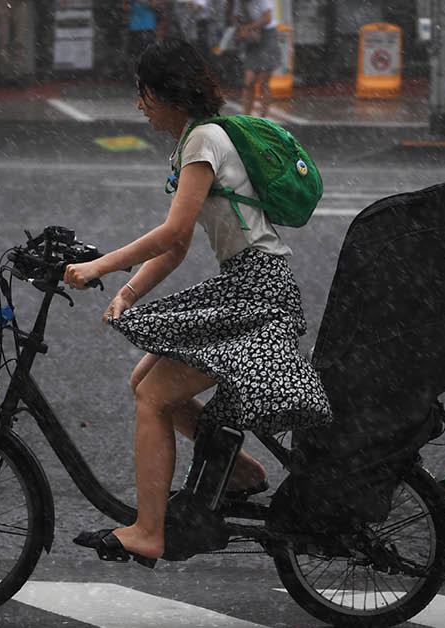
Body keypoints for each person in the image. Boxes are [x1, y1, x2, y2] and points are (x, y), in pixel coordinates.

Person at [64, 39, 331, 566]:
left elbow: (173, 230)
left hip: (256, 290)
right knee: (143, 382)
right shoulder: (196, 139)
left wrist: (102, 266)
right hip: (248, 284)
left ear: (168, 95)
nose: (140, 105)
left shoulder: (204, 140)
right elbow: (179, 246)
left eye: (144, 94)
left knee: (154, 396)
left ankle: (148, 531)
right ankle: (241, 472)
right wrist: (128, 290)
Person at [227, 0, 279, 117]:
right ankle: (246, 116)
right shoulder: (238, 2)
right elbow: (235, 17)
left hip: (267, 36)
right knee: (249, 80)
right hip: (252, 38)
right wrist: (240, 29)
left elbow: (268, 18)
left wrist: (249, 27)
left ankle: (263, 117)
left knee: (264, 80)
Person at [0, 0, 32, 86]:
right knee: (3, 42)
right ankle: (6, 74)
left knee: (19, 42)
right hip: (3, 4)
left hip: (19, 4)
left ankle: (18, 74)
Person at [125, 0, 162, 65]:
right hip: (135, 28)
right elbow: (125, 6)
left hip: (149, 27)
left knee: (152, 56)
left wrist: (148, 3)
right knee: (134, 57)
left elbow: (158, 3)